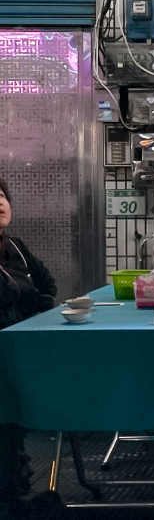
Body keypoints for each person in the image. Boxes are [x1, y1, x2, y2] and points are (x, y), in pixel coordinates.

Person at [0, 178, 58, 517]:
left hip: (19, 342)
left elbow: (46, 282)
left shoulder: (16, 245)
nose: (0, 203)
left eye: (3, 196)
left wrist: (39, 302)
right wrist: (29, 297)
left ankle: (14, 480)